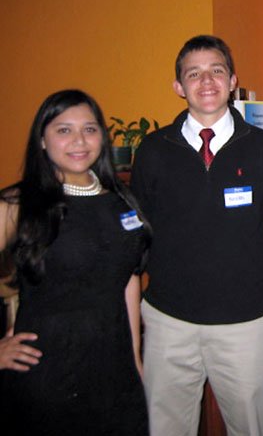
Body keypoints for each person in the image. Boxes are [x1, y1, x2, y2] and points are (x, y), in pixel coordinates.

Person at [131, 35, 263, 436]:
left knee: (250, 427)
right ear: (178, 87)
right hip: (168, 321)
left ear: (233, 80)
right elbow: (140, 230)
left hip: (244, 323)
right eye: (194, 73)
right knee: (164, 427)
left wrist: (256, 279)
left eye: (217, 70)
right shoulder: (152, 150)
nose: (206, 81)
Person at [0, 89, 150, 435]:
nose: (79, 140)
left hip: (114, 372)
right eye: (64, 130)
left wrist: (135, 359)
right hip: (46, 373)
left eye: (90, 129)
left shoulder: (121, 202)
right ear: (41, 140)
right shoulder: (20, 204)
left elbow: (126, 278)